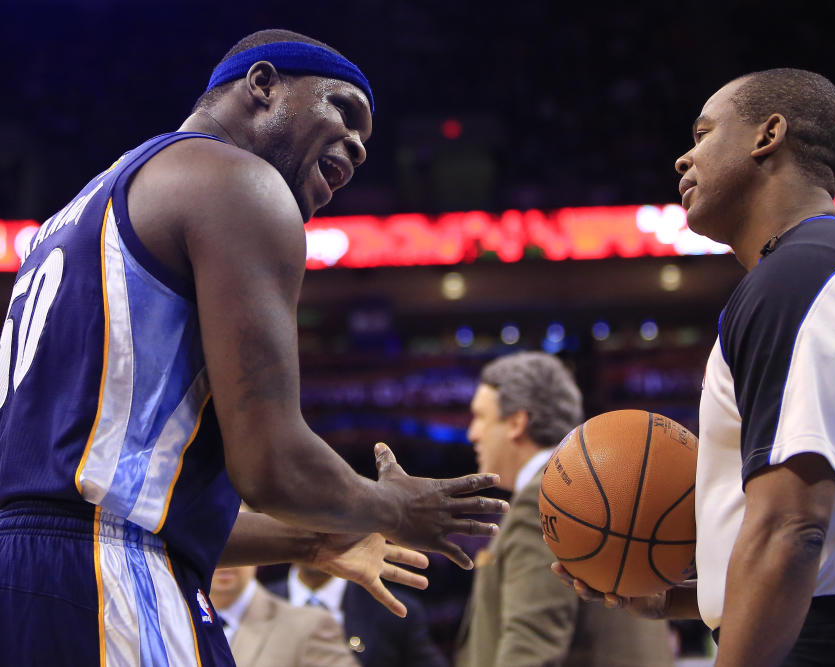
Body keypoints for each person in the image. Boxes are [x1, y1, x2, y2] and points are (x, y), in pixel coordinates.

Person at [0, 29, 508, 666]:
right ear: (262, 85)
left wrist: (310, 543)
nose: (356, 144)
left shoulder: (76, 212)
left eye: (366, 138)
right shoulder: (237, 180)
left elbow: (118, 495)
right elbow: (272, 463)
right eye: (342, 110)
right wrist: (395, 508)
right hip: (108, 585)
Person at [556, 68, 835, 666]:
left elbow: (794, 528)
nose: (683, 160)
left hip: (824, 646)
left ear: (769, 136)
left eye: (704, 133)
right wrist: (688, 598)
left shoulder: (795, 281)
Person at [455, 351, 675, 666]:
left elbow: (530, 645)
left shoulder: (544, 500)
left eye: (479, 417)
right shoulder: (600, 489)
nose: (471, 433)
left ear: (517, 422)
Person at [266, 563, 448, 666]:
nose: (312, 532)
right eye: (301, 521)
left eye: (321, 520)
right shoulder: (257, 604)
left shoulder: (396, 612)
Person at [209, 563, 358, 667]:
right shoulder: (187, 623)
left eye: (236, 547)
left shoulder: (308, 626)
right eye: (211, 545)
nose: (224, 559)